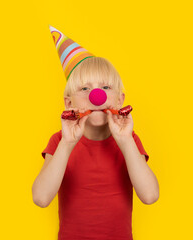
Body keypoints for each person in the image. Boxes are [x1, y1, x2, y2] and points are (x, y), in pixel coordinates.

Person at [32, 26, 159, 240]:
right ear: (69, 102)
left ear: (119, 100)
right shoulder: (60, 141)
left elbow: (150, 196)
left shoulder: (129, 139)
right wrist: (67, 144)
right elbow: (41, 198)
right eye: (84, 89)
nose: (96, 95)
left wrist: (126, 141)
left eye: (106, 88)